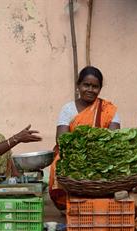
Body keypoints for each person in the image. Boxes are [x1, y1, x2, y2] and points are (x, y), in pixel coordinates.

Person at [49, 66, 121, 210]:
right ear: (78, 85)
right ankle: (68, 203)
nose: (90, 89)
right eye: (86, 85)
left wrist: (95, 152)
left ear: (100, 89)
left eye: (95, 86)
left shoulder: (108, 109)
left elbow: (113, 139)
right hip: (73, 156)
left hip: (102, 157)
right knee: (59, 162)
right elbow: (62, 139)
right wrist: (82, 151)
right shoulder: (68, 109)